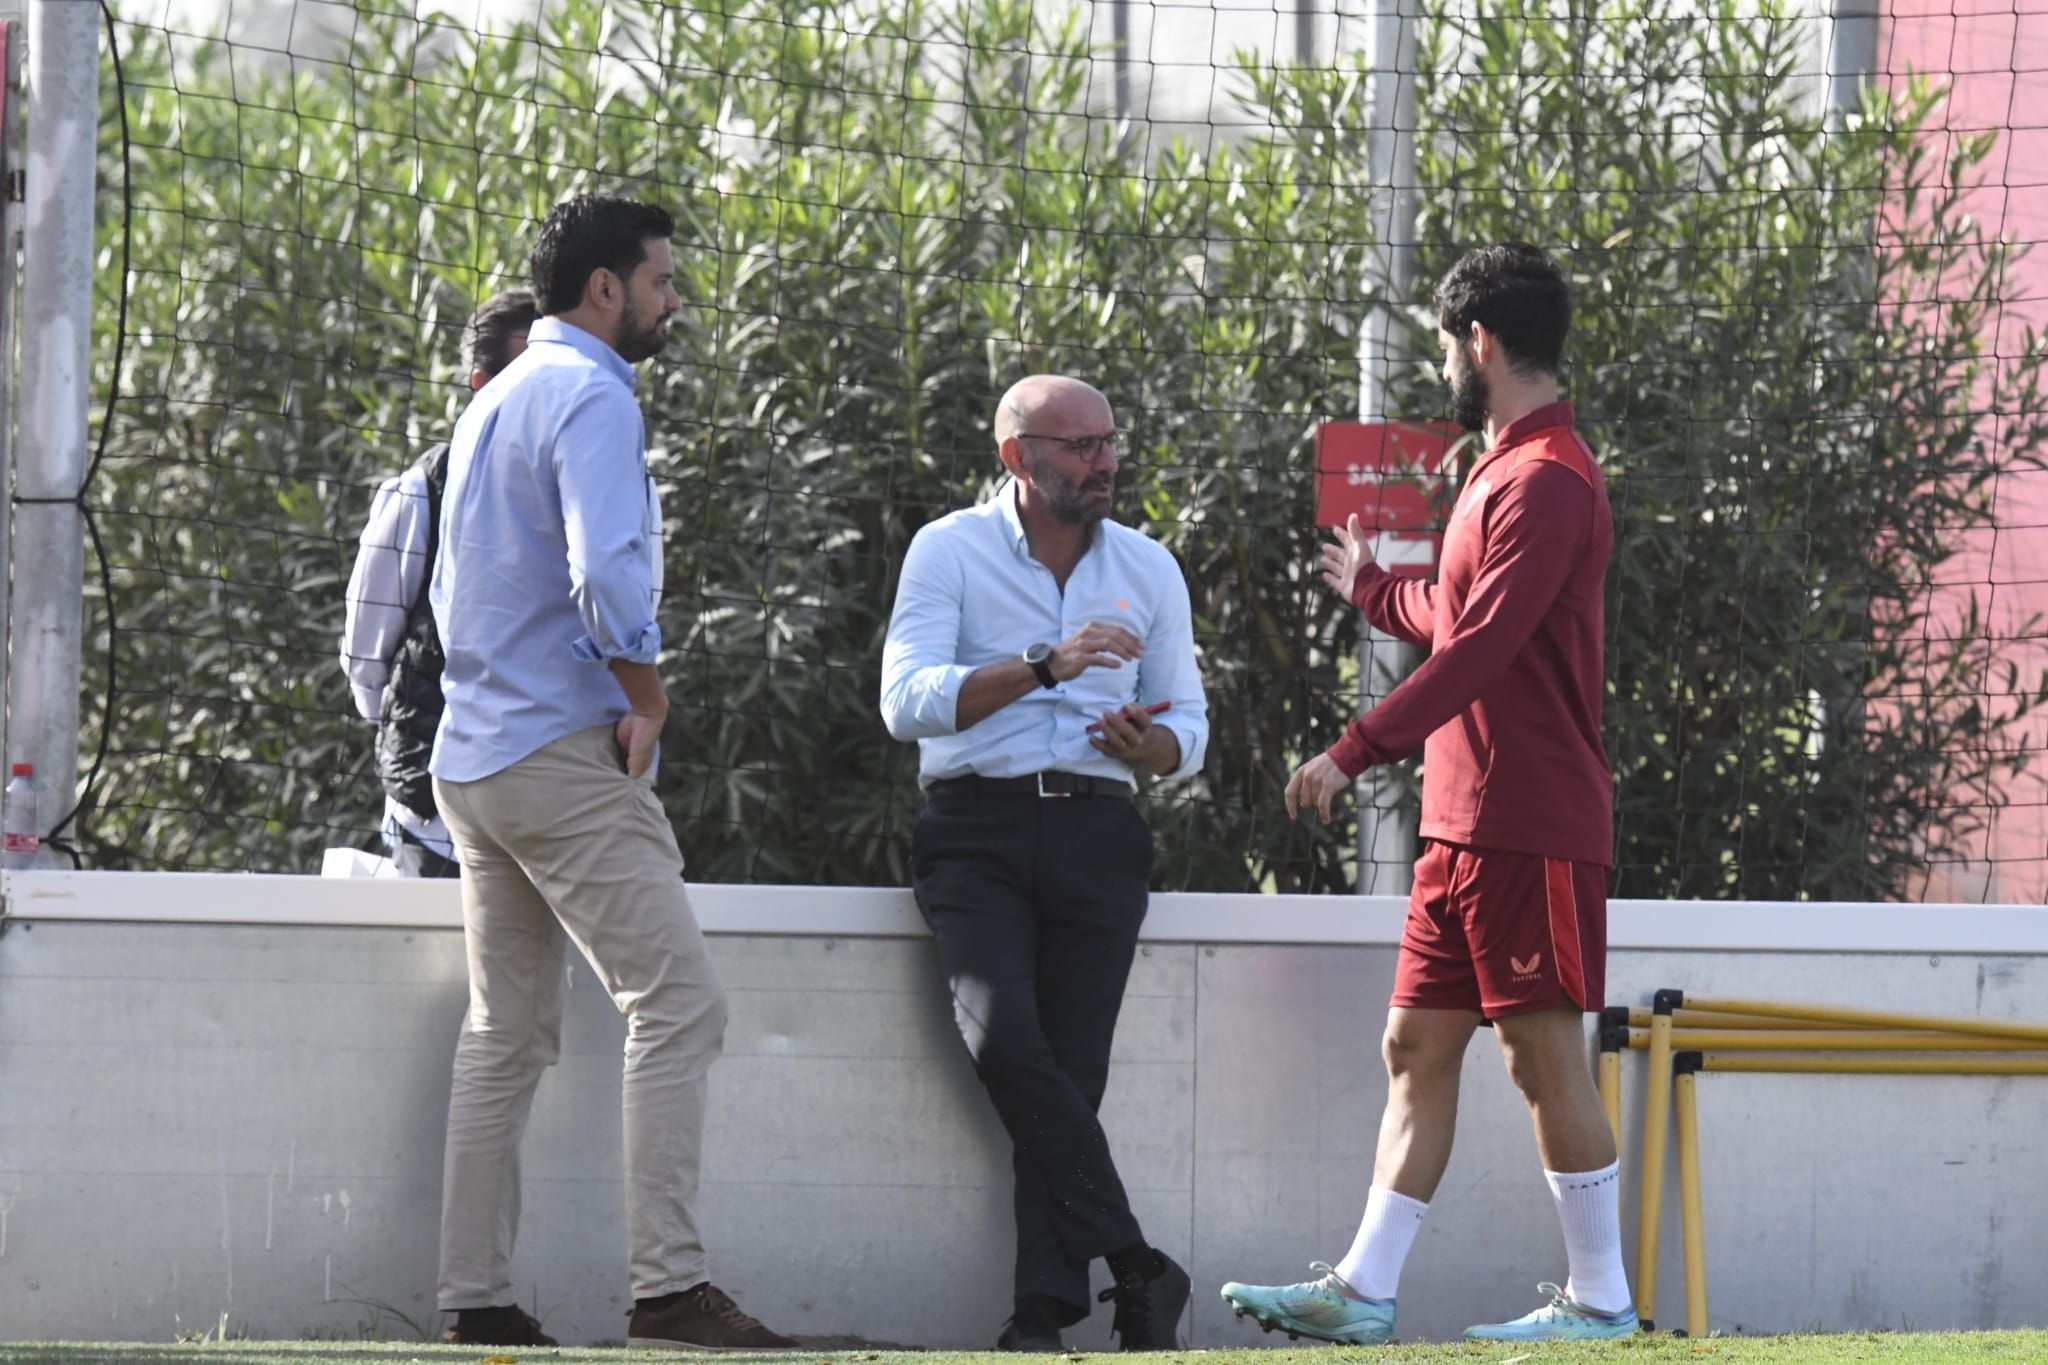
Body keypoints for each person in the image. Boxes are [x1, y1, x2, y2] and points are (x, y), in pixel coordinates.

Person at [1221, 243, 1634, 1344]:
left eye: (1447, 343)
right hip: (1459, 829)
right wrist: (1371, 587)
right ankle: (1362, 1291)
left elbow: (1483, 649)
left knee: (1542, 1056)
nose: (1443, 364)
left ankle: (1601, 1306)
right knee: (1414, 1046)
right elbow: (1461, 618)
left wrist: (1350, 749)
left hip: (1528, 822)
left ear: (1480, 342)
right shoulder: (1497, 469)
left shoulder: (1547, 479)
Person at [427, 193, 789, 1351]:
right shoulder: (589, 392)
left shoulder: (497, 399)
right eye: (663, 282)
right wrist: (648, 696)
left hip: (471, 760)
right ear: (605, 290)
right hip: (555, 755)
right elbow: (607, 575)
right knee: (679, 1004)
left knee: (506, 1034)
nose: (672, 302)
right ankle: (669, 1293)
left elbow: (451, 586)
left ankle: (474, 1302)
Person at [880, 375, 1211, 1353]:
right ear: (1016, 457)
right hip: (973, 831)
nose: (1102, 461)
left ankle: (1041, 1315)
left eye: (1107, 442)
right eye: (1076, 446)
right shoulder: (947, 549)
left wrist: (1142, 744)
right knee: (1003, 1040)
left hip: (1099, 829)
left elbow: (1185, 727)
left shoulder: (1149, 567)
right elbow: (904, 702)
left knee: (1067, 1074)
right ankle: (1138, 1263)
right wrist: (1043, 666)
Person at [341, 288, 540, 878]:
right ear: (481, 384)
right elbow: (365, 659)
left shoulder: (595, 491)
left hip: (554, 820)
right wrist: (422, 742)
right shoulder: (421, 492)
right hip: (436, 828)